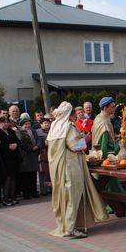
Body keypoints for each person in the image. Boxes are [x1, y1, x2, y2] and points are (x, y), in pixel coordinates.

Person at [47, 102, 107, 238]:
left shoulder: (54, 127)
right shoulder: (68, 126)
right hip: (71, 166)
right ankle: (70, 228)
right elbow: (74, 146)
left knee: (64, 197)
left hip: (58, 168)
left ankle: (66, 225)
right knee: (73, 197)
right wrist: (85, 139)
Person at [0, 116, 22, 206]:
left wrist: (15, 144)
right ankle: (6, 198)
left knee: (13, 177)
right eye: (3, 122)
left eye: (7, 122)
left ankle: (12, 197)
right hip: (4, 158)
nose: (5, 123)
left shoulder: (11, 131)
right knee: (7, 178)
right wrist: (7, 146)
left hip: (14, 157)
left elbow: (19, 141)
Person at [18, 118, 41, 200]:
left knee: (33, 174)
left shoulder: (33, 131)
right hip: (25, 156)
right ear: (22, 125)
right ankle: (26, 193)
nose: (27, 126)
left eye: (29, 124)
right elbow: (21, 143)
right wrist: (31, 148)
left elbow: (38, 140)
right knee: (26, 176)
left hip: (33, 155)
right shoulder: (20, 132)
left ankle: (34, 192)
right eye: (26, 124)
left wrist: (37, 146)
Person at [35, 116, 51, 196]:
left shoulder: (53, 131)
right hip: (42, 154)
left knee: (51, 172)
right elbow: (37, 143)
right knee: (43, 172)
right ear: (41, 124)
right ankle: (43, 190)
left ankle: (51, 189)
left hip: (52, 154)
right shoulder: (37, 132)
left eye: (48, 123)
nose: (47, 124)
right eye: (45, 123)